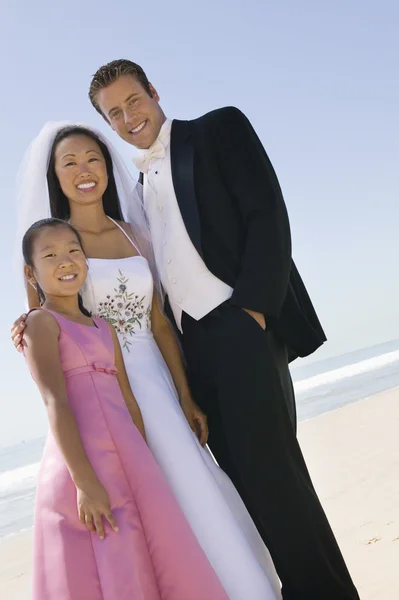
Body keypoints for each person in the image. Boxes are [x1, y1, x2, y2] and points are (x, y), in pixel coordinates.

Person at [84, 59, 359, 600]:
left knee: (278, 481)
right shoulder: (137, 187)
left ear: (154, 92)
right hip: (192, 353)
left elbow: (267, 214)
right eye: (113, 113)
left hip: (239, 329)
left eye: (133, 101)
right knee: (245, 489)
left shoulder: (216, 129)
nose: (128, 116)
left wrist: (254, 312)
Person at [12, 123, 282, 600]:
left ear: (106, 165)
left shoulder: (132, 232)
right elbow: (46, 314)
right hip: (104, 393)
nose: (84, 171)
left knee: (191, 484)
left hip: (155, 378)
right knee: (138, 502)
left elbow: (158, 321)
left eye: (92, 158)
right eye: (69, 163)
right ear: (55, 176)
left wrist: (183, 393)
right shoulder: (56, 243)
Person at [21, 217, 229, 600]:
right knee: (111, 557)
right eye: (50, 256)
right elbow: (55, 402)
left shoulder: (103, 327)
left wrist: (144, 460)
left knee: (156, 550)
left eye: (73, 251)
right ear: (30, 273)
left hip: (128, 456)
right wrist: (84, 483)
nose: (65, 261)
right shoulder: (40, 324)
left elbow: (126, 398)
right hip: (84, 462)